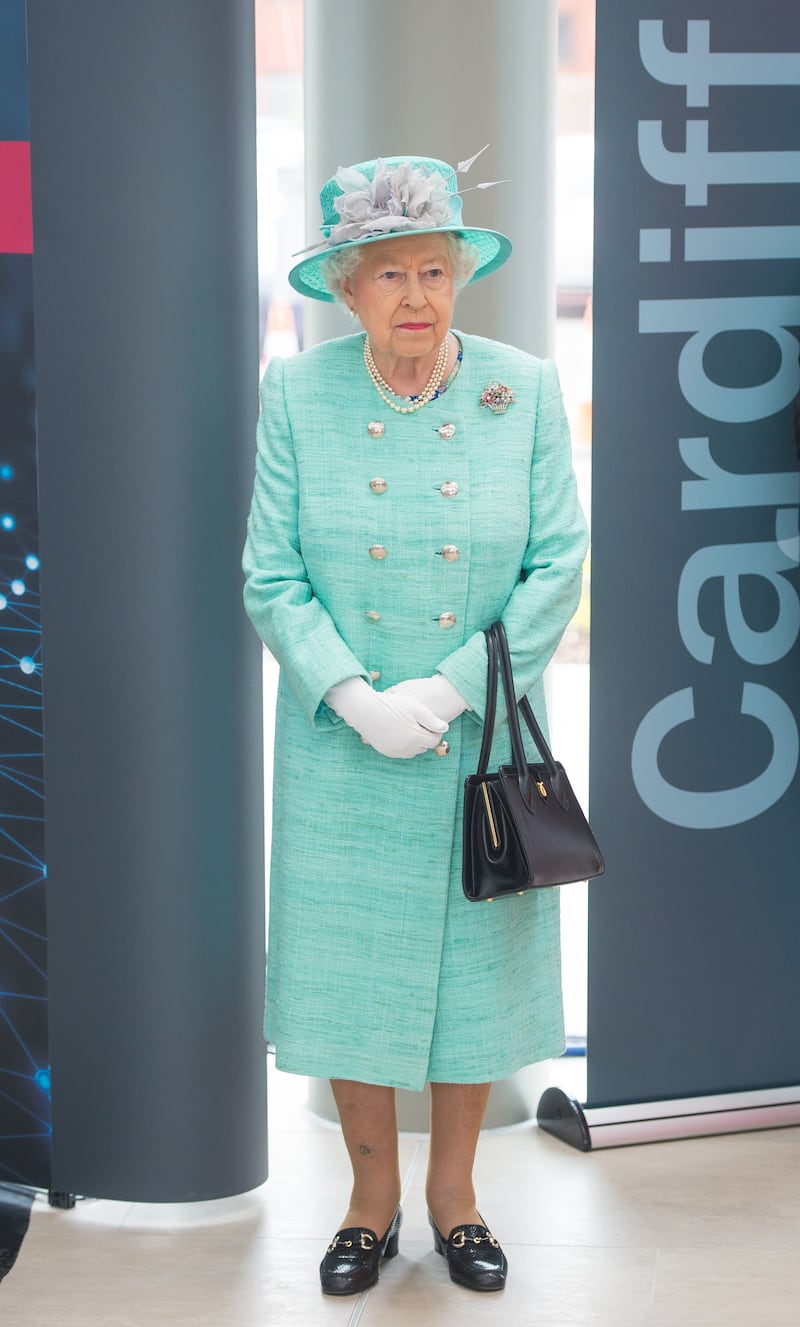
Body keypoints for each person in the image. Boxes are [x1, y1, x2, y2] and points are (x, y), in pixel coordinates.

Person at [242, 153, 588, 1296]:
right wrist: (351, 694)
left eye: (432, 270)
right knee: (351, 977)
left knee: (467, 979)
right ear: (345, 292)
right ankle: (366, 1201)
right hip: (344, 744)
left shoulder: (521, 386)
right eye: (387, 274)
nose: (413, 296)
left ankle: (456, 1199)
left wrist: (443, 692)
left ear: (459, 280)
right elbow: (270, 573)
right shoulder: (297, 393)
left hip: (474, 738)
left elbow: (554, 567)